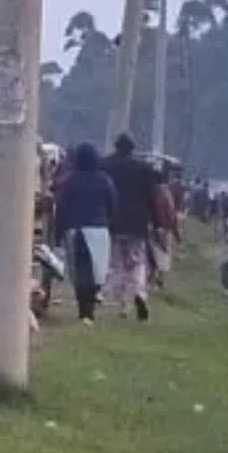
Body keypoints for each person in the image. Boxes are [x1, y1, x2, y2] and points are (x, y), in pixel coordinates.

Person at [55, 142, 116, 324]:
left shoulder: (70, 181)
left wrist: (58, 232)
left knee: (80, 272)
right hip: (98, 229)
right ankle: (90, 307)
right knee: (98, 271)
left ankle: (84, 310)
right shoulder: (104, 180)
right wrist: (108, 222)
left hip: (74, 229)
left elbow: (62, 207)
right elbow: (112, 203)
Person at [103, 134, 159, 321]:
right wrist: (156, 222)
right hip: (138, 224)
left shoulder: (106, 166)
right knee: (137, 263)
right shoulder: (144, 169)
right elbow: (152, 199)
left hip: (114, 223)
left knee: (118, 264)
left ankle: (124, 305)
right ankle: (139, 294)